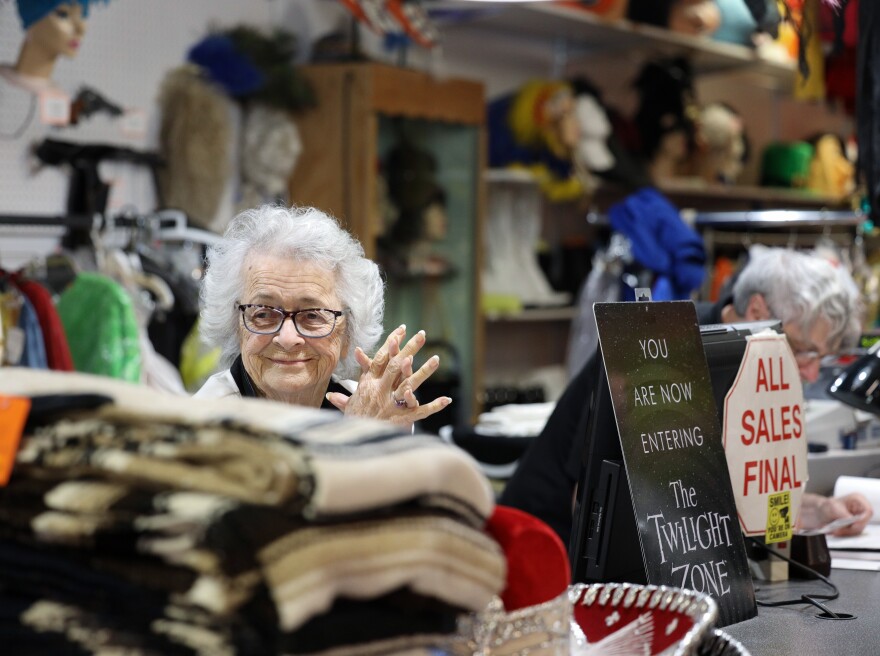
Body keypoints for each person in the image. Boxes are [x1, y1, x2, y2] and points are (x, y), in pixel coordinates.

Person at [500, 245, 872, 546]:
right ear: (757, 311)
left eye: (820, 359)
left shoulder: (757, 375)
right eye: (805, 351)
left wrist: (817, 512)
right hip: (540, 548)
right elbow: (599, 508)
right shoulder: (655, 350)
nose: (810, 373)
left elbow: (734, 498)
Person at [195, 204, 451, 427]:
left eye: (313, 316)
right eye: (263, 314)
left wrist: (385, 440)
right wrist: (355, 442)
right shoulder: (202, 424)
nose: (287, 338)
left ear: (348, 335)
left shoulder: (371, 411)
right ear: (236, 327)